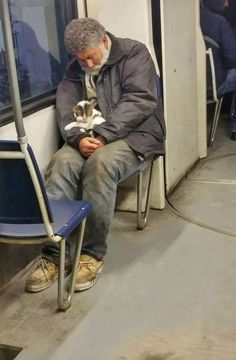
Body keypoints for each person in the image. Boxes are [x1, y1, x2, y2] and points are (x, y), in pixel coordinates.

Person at [25, 18, 166, 293]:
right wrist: (78, 139)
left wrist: (103, 135)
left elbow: (140, 100)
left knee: (101, 164)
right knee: (61, 162)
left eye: (90, 58)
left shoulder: (134, 53)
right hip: (90, 135)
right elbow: (66, 106)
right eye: (80, 60)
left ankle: (91, 254)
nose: (86, 65)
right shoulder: (75, 68)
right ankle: (54, 254)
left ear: (104, 41)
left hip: (135, 134)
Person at [200, 0, 236, 140]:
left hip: (181, 87)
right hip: (213, 87)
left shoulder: (175, 22)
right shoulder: (219, 22)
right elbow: (233, 59)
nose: (227, 5)